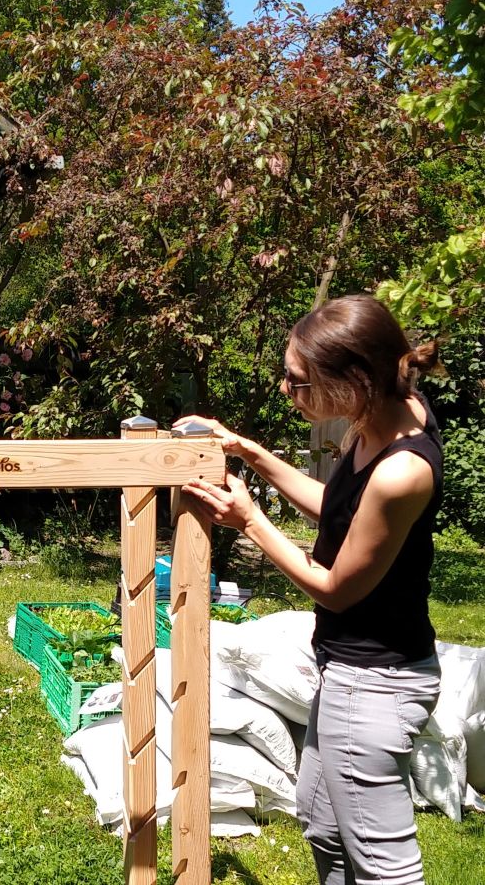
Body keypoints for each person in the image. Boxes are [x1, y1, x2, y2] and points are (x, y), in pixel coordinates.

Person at [179, 293, 442, 885]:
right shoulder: (382, 417)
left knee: (386, 869)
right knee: (324, 828)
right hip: (351, 671)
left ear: (353, 380)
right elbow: (340, 510)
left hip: (376, 681)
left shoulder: (404, 469)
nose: (286, 390)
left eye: (297, 381)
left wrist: (251, 521)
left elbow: (336, 588)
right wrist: (250, 451)